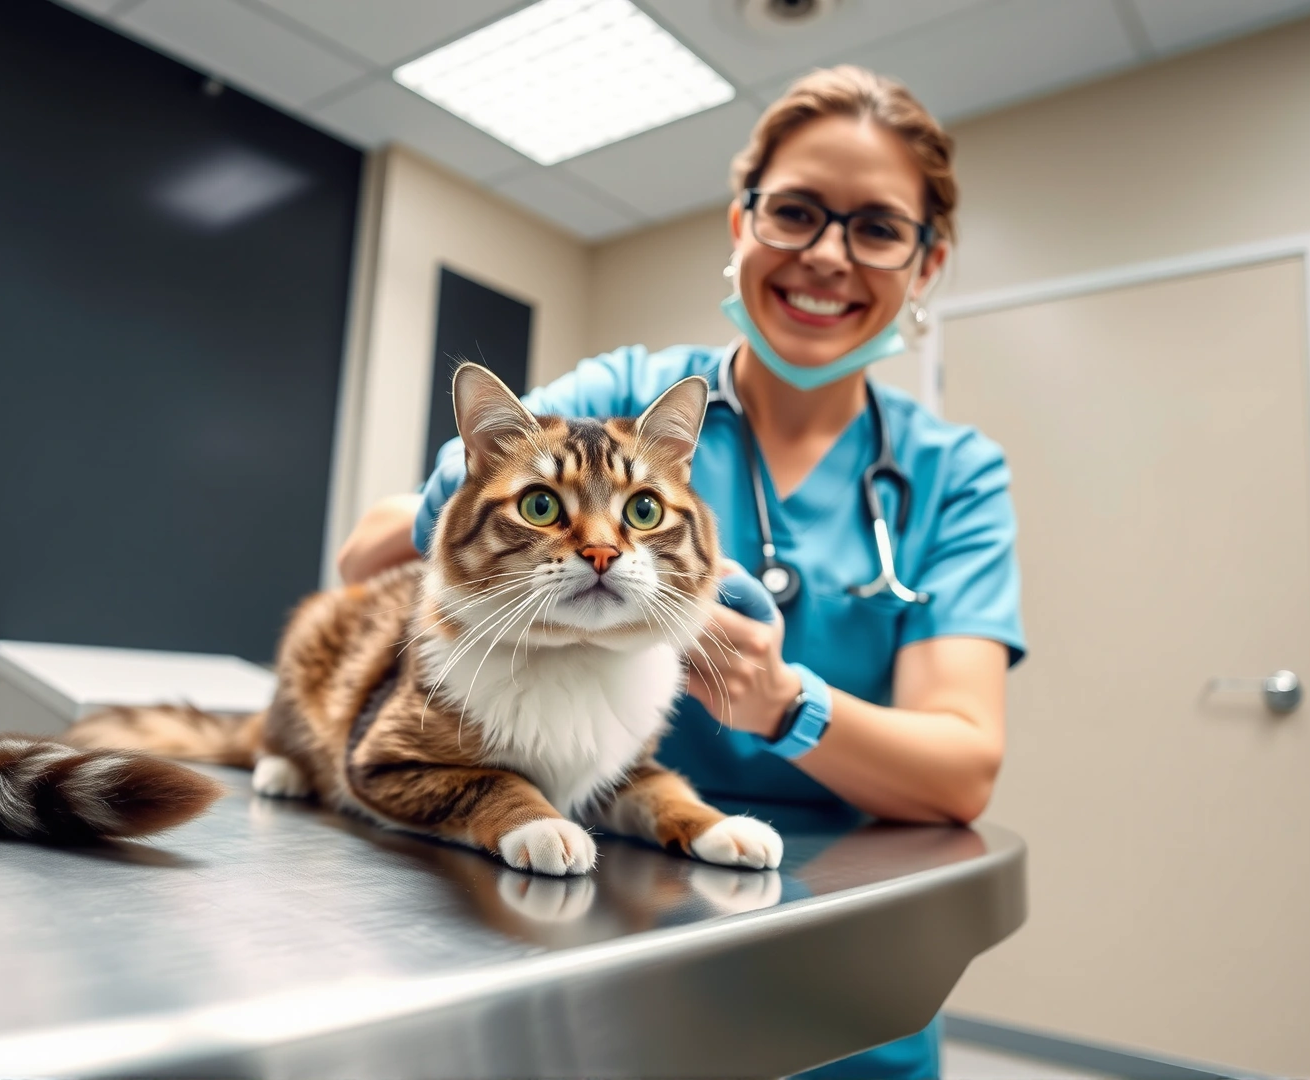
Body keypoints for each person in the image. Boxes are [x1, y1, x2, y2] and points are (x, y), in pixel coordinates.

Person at [336, 65, 1023, 1080]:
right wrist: (458, 487)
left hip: (835, 940)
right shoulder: (630, 396)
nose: (827, 256)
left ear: (927, 264)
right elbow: (366, 552)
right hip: (602, 901)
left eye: (876, 228)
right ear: (740, 225)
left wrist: (784, 702)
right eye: (794, 212)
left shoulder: (951, 476)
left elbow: (963, 767)